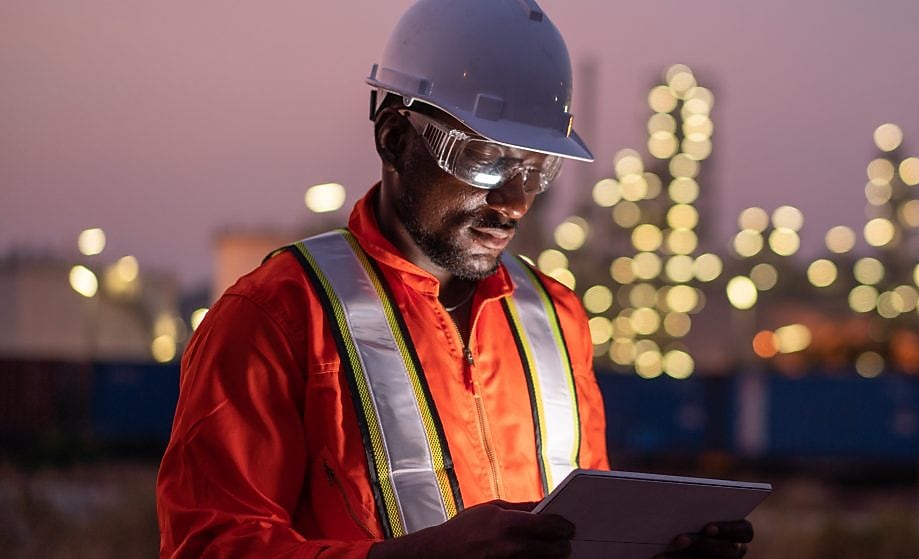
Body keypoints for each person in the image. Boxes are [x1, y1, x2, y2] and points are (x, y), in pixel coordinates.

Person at [155, 1, 754, 557]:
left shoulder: (556, 318)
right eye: (485, 160)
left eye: (536, 168)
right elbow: (210, 545)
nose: (516, 203)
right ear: (393, 139)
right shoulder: (279, 317)